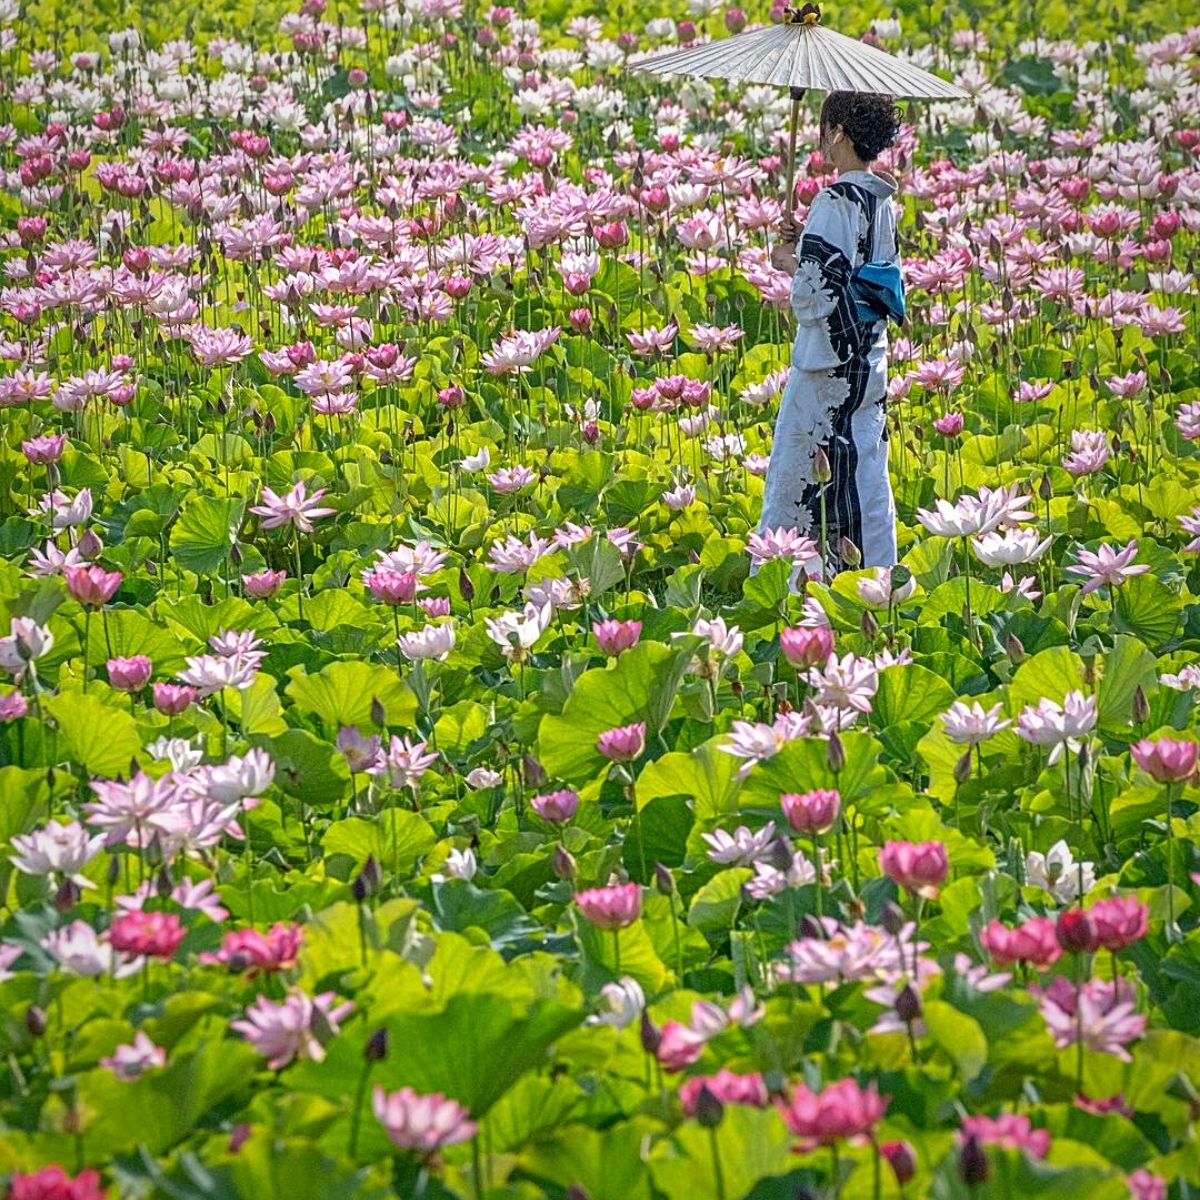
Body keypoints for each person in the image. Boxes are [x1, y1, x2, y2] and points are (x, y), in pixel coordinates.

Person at [761, 91, 904, 575]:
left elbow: (814, 295)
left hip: (826, 367)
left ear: (839, 132)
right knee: (864, 465)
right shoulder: (880, 201)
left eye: (825, 129)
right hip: (868, 361)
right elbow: (863, 270)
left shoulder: (834, 199)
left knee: (802, 470)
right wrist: (805, 242)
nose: (821, 139)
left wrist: (790, 261)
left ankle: (801, 578)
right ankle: (875, 577)